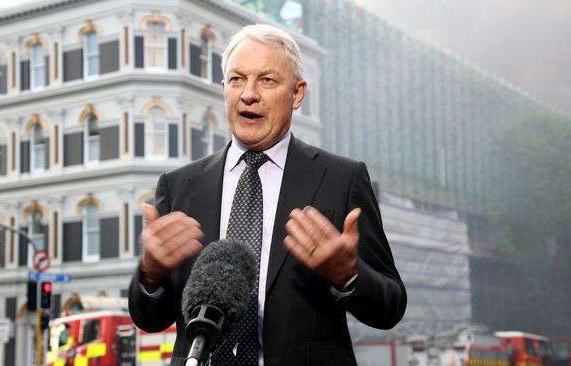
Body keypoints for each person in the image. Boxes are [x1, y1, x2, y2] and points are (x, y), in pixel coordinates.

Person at [128, 24, 406, 366]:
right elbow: (150, 318)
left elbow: (390, 306)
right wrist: (150, 275)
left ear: (297, 93)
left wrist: (348, 274)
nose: (248, 94)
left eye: (267, 80)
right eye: (237, 79)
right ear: (224, 89)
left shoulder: (341, 180)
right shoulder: (178, 186)